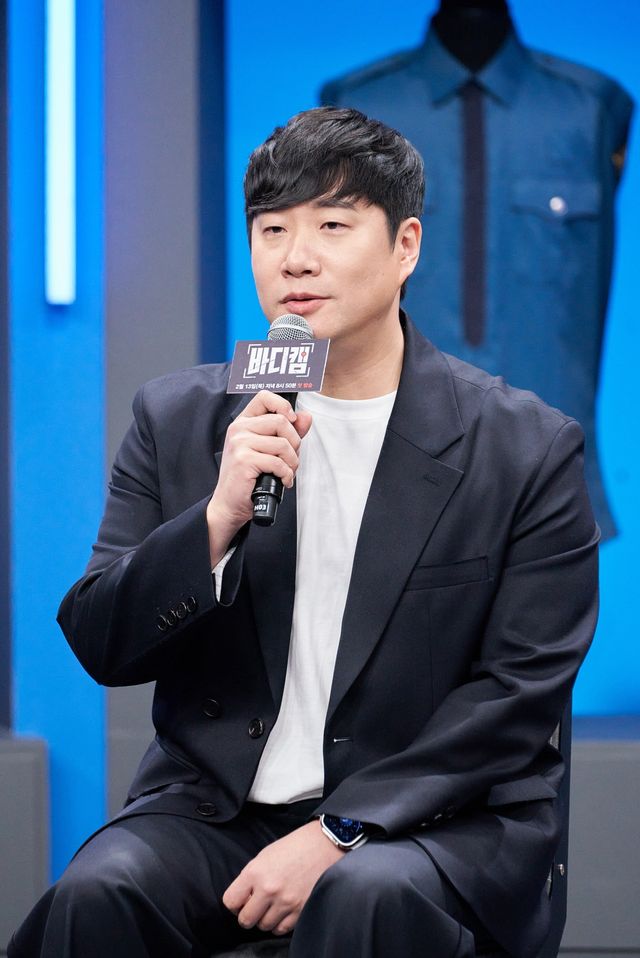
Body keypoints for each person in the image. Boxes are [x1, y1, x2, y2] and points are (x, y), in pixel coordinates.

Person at [9, 106, 599, 958]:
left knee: (365, 896)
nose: (295, 257)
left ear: (405, 247)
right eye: (272, 229)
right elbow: (104, 641)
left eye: (332, 225)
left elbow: (519, 692)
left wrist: (341, 829)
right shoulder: (179, 419)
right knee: (99, 894)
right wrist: (216, 519)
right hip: (219, 808)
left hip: (432, 819)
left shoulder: (523, 446)